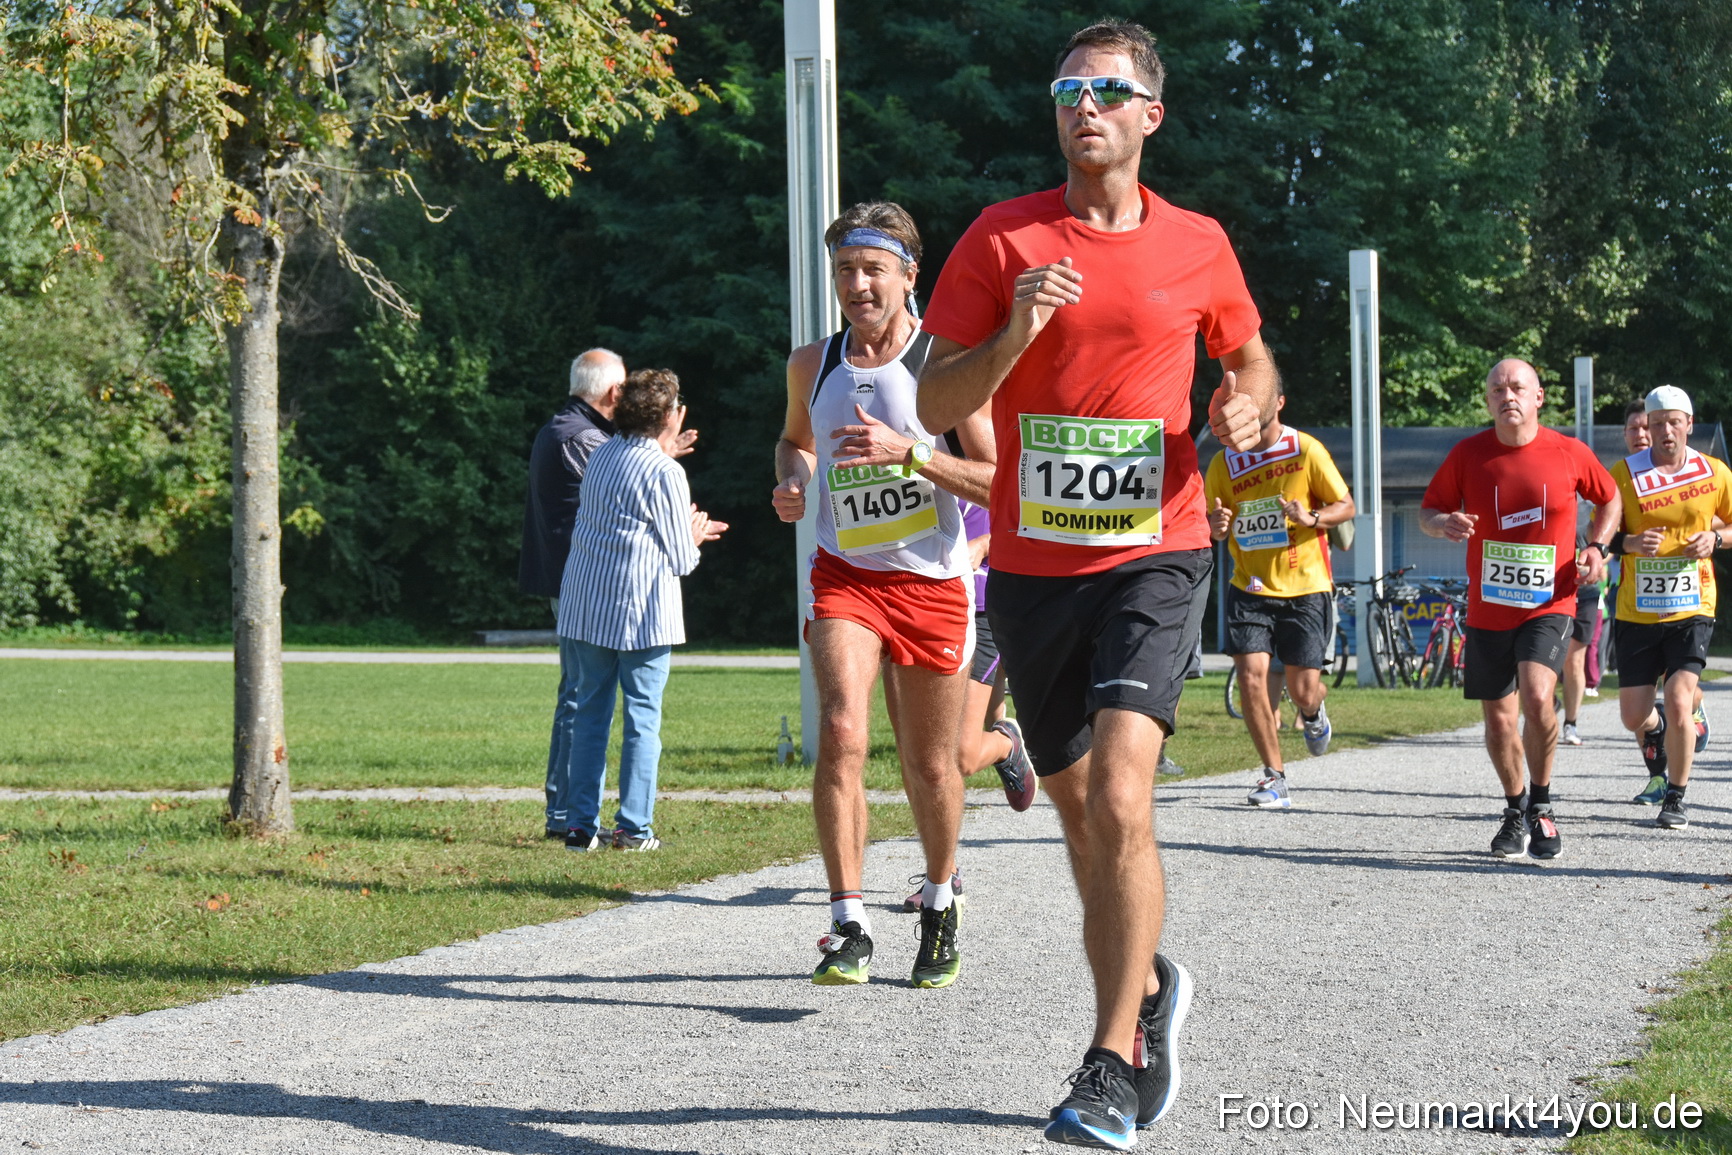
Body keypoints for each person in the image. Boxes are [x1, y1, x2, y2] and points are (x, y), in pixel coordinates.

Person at [917, 21, 1276, 1148]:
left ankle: (1110, 1059)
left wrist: (1247, 403)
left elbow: (1249, 357)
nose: (1085, 106)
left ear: (1148, 116)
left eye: (1109, 91)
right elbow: (932, 404)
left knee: (1124, 797)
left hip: (1156, 549)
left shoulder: (1200, 244)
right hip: (1032, 568)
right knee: (1083, 822)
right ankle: (1149, 991)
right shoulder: (1001, 236)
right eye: (1069, 89)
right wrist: (1016, 330)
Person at [771, 201, 995, 989]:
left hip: (933, 582)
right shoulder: (813, 363)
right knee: (839, 729)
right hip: (847, 576)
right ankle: (848, 921)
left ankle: (939, 897)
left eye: (873, 268)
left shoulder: (947, 363)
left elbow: (999, 481)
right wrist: (793, 480)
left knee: (931, 764)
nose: (857, 284)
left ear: (909, 275)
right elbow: (795, 439)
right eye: (844, 270)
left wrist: (914, 454)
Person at [1420, 359, 1618, 860]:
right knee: (1499, 722)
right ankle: (1514, 809)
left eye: (1517, 387)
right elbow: (1428, 511)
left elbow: (1610, 500)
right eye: (1497, 389)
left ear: (1538, 397)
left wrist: (1596, 547)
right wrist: (1443, 522)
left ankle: (1543, 805)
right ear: (1487, 401)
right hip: (1489, 607)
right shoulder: (1468, 455)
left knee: (1535, 695)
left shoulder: (1568, 452)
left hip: (1551, 600)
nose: (1507, 396)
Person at [555, 369, 725, 851]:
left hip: (588, 603)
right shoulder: (666, 471)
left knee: (589, 715)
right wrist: (694, 533)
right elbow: (681, 558)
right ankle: (633, 827)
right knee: (642, 718)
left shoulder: (603, 453)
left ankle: (579, 826)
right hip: (642, 611)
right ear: (671, 415)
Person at [1205, 390, 1355, 806]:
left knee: (1303, 688)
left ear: (1280, 403)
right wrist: (1216, 525)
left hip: (1306, 586)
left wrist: (1312, 517)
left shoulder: (1305, 450)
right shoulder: (1224, 462)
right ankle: (1274, 777)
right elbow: (1216, 525)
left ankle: (1312, 711)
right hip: (1250, 587)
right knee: (1252, 678)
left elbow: (1346, 505)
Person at [1607, 385, 1731, 829]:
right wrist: (1631, 542)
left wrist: (1715, 538)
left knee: (1679, 697)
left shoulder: (1714, 472)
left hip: (1692, 603)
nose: (1664, 431)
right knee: (1633, 716)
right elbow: (1599, 534)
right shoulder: (1624, 474)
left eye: (1673, 422)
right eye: (1656, 424)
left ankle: (1675, 796)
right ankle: (1660, 731)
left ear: (1688, 426)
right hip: (1636, 610)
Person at [520, 349, 626, 839]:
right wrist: (659, 458)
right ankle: (563, 814)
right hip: (578, 582)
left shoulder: (559, 427)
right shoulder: (583, 437)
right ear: (611, 392)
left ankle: (562, 811)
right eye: (624, 388)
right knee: (582, 696)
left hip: (566, 579)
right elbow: (620, 496)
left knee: (575, 693)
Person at [1559, 523, 1602, 747]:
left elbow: (1609, 544)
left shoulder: (1592, 507)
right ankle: (1547, 704)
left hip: (1585, 595)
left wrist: (1597, 563)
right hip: (1552, 590)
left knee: (1574, 661)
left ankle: (1570, 723)